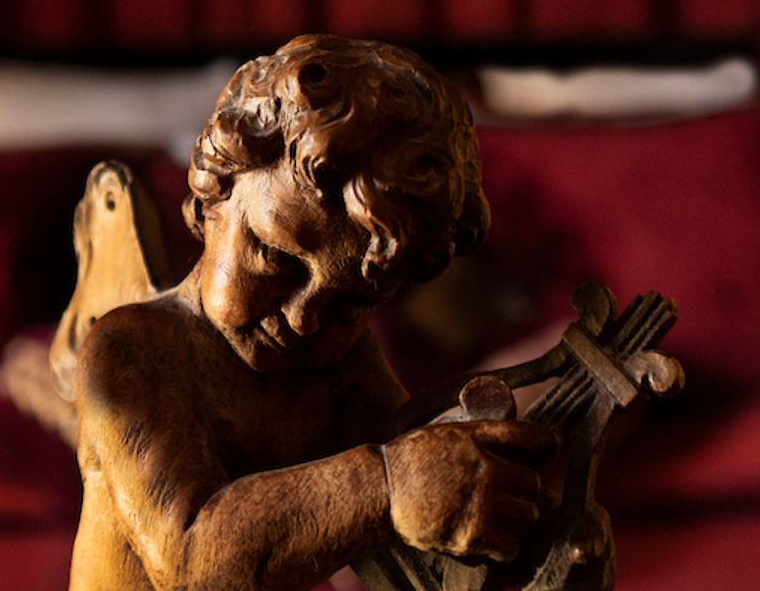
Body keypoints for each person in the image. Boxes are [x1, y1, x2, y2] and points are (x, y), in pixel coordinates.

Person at [69, 35, 554, 591]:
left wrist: (539, 551)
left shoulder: (344, 367)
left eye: (351, 303)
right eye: (276, 257)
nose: (303, 320)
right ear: (213, 196)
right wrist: (388, 487)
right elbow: (190, 562)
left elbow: (420, 501)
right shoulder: (131, 354)